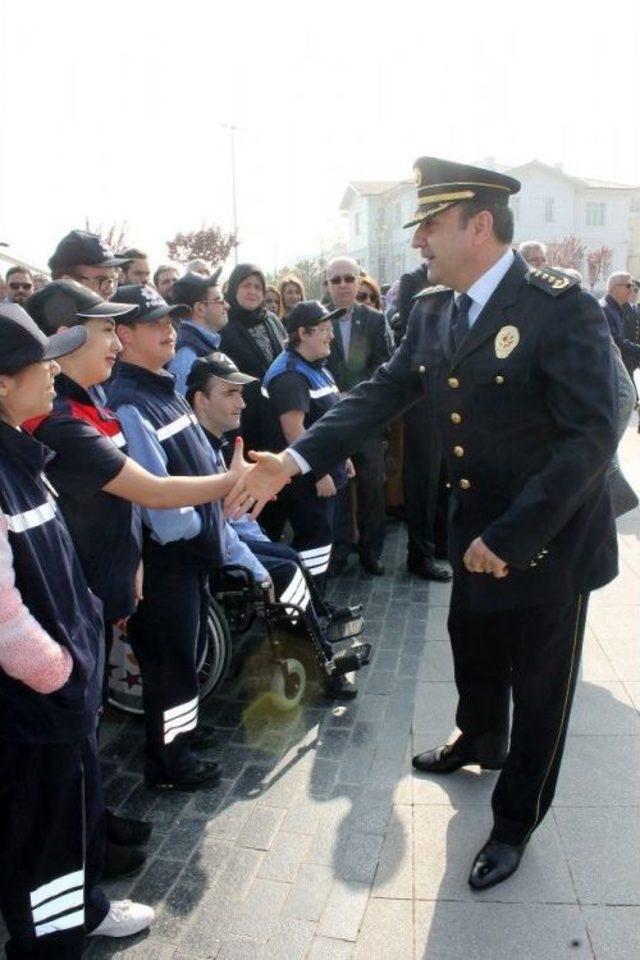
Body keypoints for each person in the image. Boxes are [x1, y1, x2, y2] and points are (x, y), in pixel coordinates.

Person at [227, 156, 618, 891]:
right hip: (475, 528)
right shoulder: (437, 311)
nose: (419, 244)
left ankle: (514, 820)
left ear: (478, 224)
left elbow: (591, 439)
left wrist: (511, 539)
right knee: (472, 646)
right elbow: (381, 392)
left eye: (430, 226)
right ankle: (478, 737)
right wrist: (294, 457)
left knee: (540, 691)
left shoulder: (561, 306)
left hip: (548, 541)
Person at [0, 303, 154, 956]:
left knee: (74, 815)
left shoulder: (20, 452)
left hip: (64, 693)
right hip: (38, 702)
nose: (53, 372)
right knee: (45, 835)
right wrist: (59, 671)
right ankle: (49, 944)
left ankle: (84, 912)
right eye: (42, 363)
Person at [105, 285, 252, 792]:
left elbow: (201, 460)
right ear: (123, 335)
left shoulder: (162, 390)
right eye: (154, 323)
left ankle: (182, 739)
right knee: (169, 667)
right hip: (168, 563)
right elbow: (157, 501)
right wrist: (199, 524)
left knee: (183, 662)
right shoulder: (130, 402)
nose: (170, 329)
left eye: (171, 320)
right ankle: (170, 766)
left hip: (189, 561)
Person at [186, 351, 370, 699]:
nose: (242, 403)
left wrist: (265, 544)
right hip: (206, 545)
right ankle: (324, 662)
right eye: (230, 394)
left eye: (241, 393)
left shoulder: (217, 442)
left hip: (229, 534)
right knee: (283, 570)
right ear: (200, 399)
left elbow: (236, 515)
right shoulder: (196, 447)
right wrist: (259, 570)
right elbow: (219, 523)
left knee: (288, 557)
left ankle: (321, 622)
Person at [260, 300, 354, 594]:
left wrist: (343, 456)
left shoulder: (314, 366)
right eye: (324, 329)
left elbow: (329, 418)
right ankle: (308, 612)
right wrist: (320, 473)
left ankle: (317, 606)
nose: (331, 336)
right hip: (308, 483)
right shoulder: (290, 375)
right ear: (303, 333)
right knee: (313, 544)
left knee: (323, 543)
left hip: (326, 472)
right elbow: (294, 432)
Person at [324, 257, 393, 576]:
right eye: (335, 280)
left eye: (348, 279)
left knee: (371, 488)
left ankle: (371, 552)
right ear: (327, 284)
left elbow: (384, 367)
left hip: (366, 419)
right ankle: (338, 553)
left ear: (358, 281)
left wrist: (360, 398)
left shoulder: (376, 320)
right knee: (337, 488)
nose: (342, 285)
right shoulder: (317, 319)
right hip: (330, 419)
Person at [218, 263, 287, 456]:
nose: (252, 292)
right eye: (246, 285)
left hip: (279, 412)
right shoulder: (224, 325)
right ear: (234, 288)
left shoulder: (271, 320)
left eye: (258, 287)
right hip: (246, 418)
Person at [164, 268, 228, 394]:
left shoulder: (198, 347)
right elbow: (184, 411)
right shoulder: (187, 359)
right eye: (219, 300)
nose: (227, 306)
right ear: (200, 309)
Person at [48, 229, 132, 300]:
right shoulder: (39, 318)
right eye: (100, 280)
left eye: (113, 279)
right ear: (68, 283)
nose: (110, 290)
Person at [600, 272, 640, 395]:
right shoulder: (605, 309)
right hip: (607, 369)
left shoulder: (616, 309)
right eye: (628, 286)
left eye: (633, 287)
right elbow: (616, 341)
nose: (632, 290)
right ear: (614, 287)